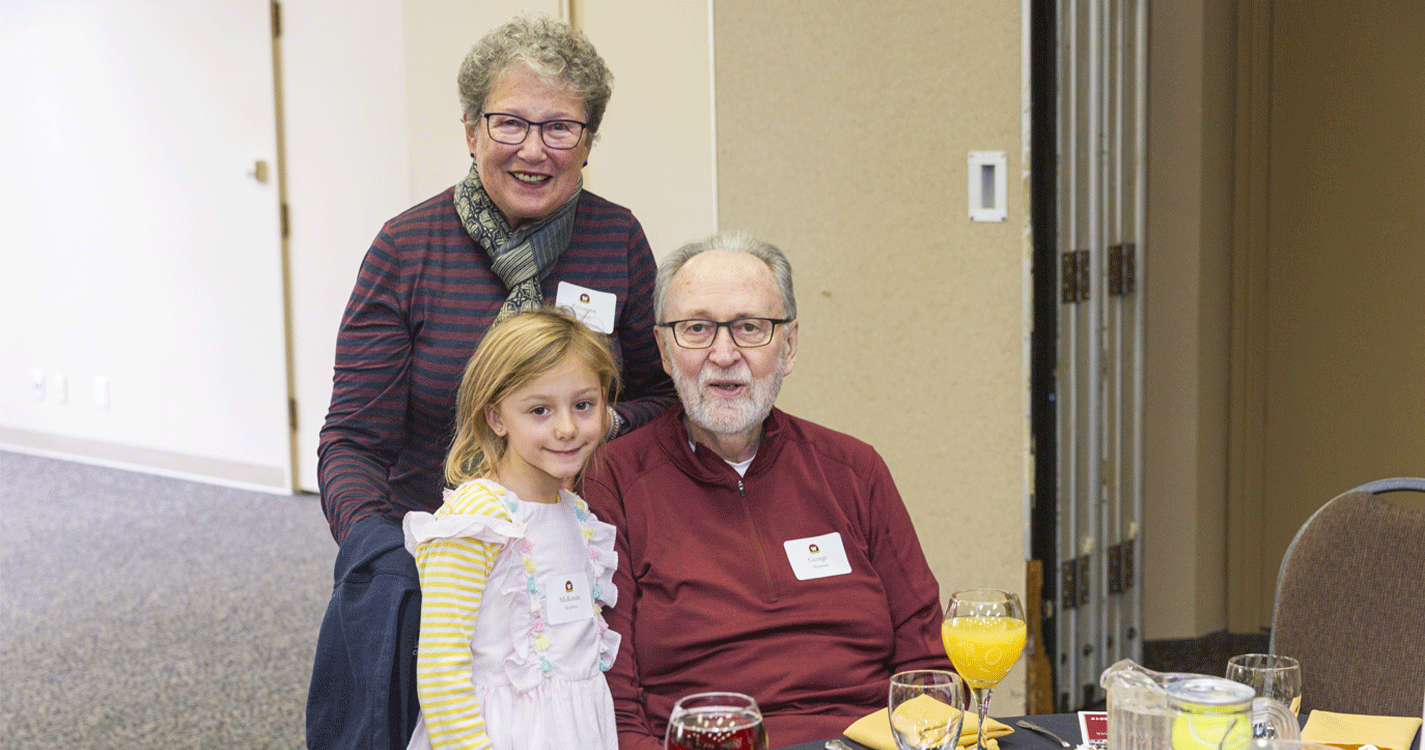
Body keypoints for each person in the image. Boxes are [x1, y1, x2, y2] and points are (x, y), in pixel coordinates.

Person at [308, 16, 674, 750]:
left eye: (561, 128)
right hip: (435, 557)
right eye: (510, 122)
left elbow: (659, 397)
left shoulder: (616, 238)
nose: (534, 149)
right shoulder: (407, 249)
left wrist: (581, 423)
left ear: (589, 143)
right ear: (471, 130)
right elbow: (351, 441)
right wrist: (389, 558)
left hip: (565, 547)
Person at [583, 232, 954, 750]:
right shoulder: (612, 482)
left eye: (750, 328)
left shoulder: (854, 470)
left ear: (789, 346)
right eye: (696, 329)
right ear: (665, 351)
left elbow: (927, 664)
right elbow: (611, 704)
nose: (724, 353)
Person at [403, 307, 621, 750]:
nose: (566, 428)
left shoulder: (575, 514)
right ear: (497, 418)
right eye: (539, 410)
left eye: (583, 405)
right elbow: (442, 670)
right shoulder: (478, 517)